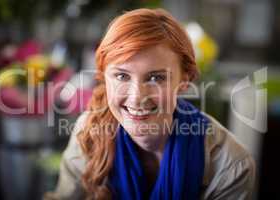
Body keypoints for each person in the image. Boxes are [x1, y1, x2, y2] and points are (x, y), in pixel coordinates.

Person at [44, 8, 255, 200]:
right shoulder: (89, 132)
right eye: (121, 76)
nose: (137, 97)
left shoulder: (230, 165)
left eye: (156, 78)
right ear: (104, 77)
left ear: (184, 80)